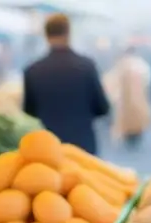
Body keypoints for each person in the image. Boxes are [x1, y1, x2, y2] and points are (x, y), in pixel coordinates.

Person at [22, 14, 110, 155]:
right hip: (83, 147)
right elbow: (103, 108)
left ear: (46, 35)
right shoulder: (87, 66)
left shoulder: (32, 70)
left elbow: (28, 112)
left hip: (49, 149)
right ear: (69, 32)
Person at [105, 46, 151, 149]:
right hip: (136, 98)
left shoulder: (120, 65)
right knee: (136, 118)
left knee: (126, 119)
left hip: (124, 99)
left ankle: (129, 136)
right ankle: (134, 136)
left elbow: (111, 80)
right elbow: (148, 80)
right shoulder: (141, 65)